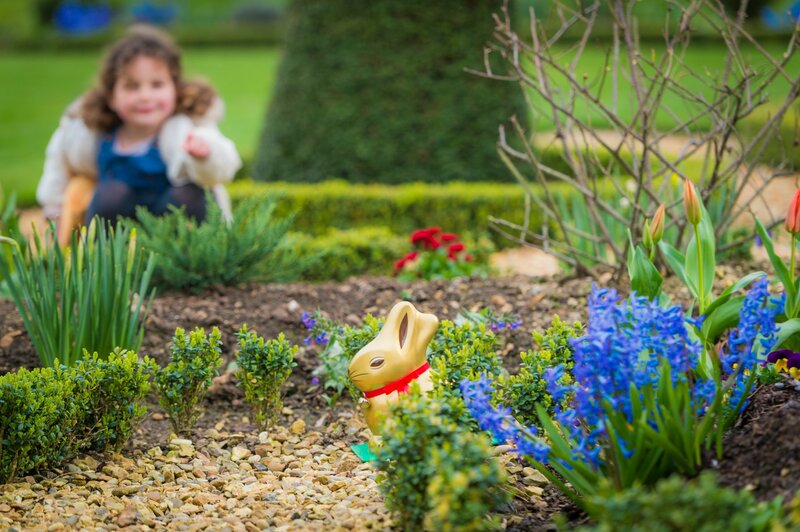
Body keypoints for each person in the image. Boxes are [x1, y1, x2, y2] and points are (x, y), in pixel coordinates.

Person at [36, 25, 241, 245]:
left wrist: (205, 155)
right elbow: (59, 162)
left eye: (157, 84)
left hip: (173, 229)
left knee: (189, 194)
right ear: (111, 96)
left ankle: (195, 265)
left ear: (175, 89)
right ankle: (104, 265)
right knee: (110, 195)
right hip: (121, 233)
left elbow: (223, 167)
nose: (145, 96)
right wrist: (54, 212)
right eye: (132, 86)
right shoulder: (92, 134)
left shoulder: (184, 129)